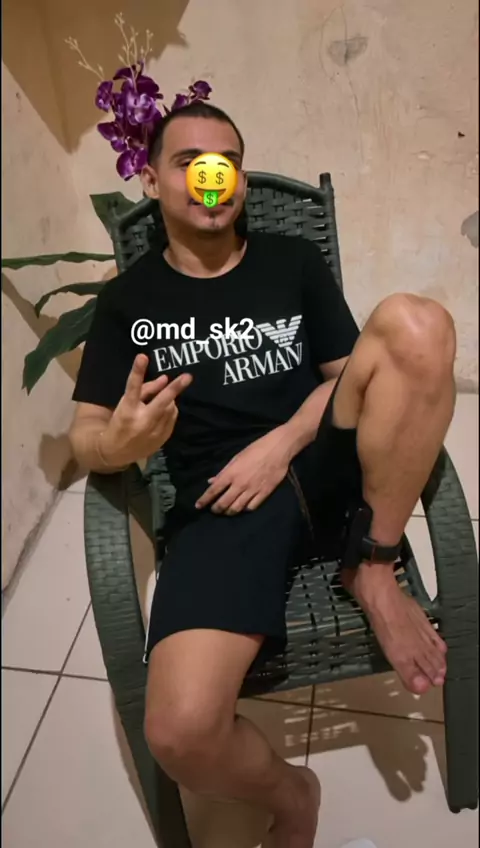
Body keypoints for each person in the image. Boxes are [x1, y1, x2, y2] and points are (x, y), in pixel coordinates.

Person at [69, 101, 456, 848]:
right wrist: (118, 441)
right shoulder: (127, 301)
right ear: (150, 179)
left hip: (325, 464)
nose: (210, 179)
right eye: (189, 163)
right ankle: (293, 794)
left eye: (225, 163)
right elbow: (88, 436)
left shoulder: (292, 262)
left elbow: (347, 380)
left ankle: (372, 566)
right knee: (180, 731)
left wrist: (282, 442)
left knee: (418, 323)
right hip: (225, 505)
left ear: (239, 180)